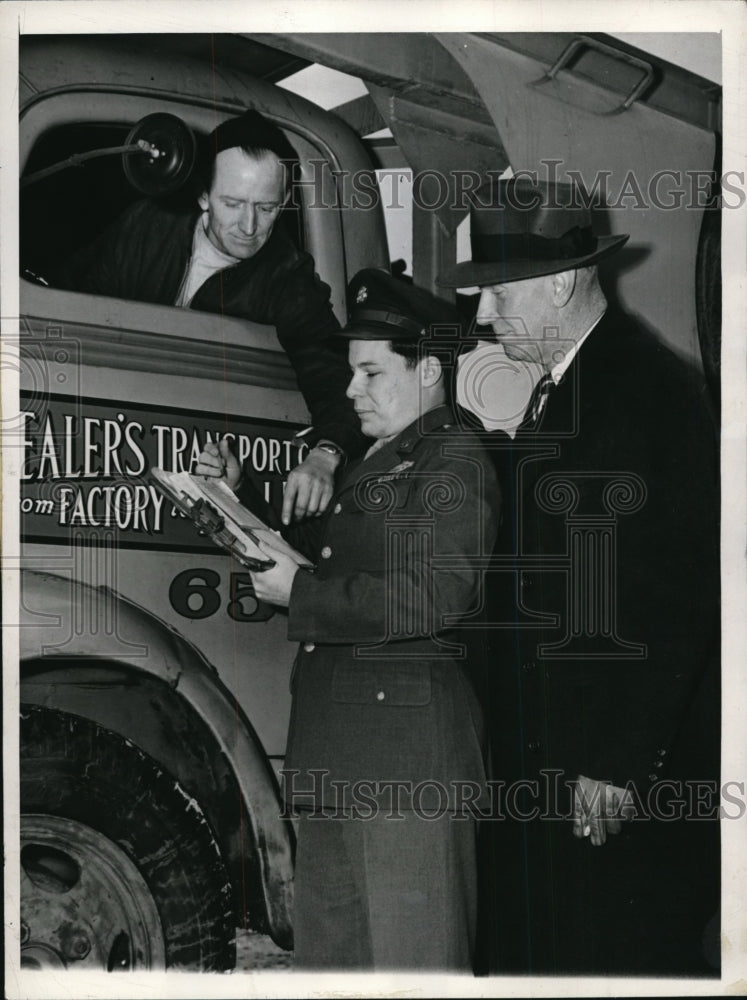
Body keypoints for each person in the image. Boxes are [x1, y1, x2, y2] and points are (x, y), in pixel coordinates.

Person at [438, 177, 720, 976]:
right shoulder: (574, 388)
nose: (484, 315)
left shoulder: (649, 395)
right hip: (552, 771)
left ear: (560, 281)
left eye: (496, 293)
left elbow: (679, 593)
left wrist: (618, 763)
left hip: (605, 788)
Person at [196, 269, 500, 971]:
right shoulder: (384, 457)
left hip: (404, 765)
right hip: (343, 755)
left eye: (369, 373)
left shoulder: (452, 456)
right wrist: (235, 501)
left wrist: (299, 594)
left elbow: (435, 595)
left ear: (428, 370)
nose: (350, 390)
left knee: (413, 968)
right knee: (336, 968)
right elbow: (335, 563)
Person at [50, 109, 366, 522]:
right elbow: (70, 300)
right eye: (232, 203)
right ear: (203, 195)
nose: (249, 226)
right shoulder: (146, 225)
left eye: (266, 208)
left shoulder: (288, 278)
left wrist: (326, 455)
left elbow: (334, 377)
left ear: (284, 202)